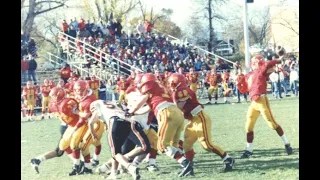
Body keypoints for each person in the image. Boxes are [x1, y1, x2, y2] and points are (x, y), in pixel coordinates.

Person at [127, 73, 193, 177]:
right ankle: (187, 167)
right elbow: (147, 109)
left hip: (166, 112)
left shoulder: (150, 87)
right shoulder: (161, 89)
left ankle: (186, 163)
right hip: (177, 113)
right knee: (173, 144)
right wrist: (134, 113)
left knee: (162, 145)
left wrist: (130, 111)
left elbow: (140, 101)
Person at [168, 73, 235, 172]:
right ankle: (189, 167)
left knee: (206, 145)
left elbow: (179, 106)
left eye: (172, 82)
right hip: (192, 120)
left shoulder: (182, 90)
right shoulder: (178, 90)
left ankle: (228, 159)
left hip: (200, 118)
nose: (171, 84)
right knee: (187, 145)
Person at [239, 55, 293, 158]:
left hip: (262, 100)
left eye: (255, 62)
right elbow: (244, 88)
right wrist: (239, 79)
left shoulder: (261, 70)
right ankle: (249, 150)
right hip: (254, 102)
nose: (254, 64)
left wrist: (278, 59)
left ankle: (287, 144)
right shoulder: (250, 74)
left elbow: (268, 64)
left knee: (272, 124)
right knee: (248, 126)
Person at [89, 100, 150, 180]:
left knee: (115, 153)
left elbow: (90, 122)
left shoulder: (98, 105)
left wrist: (93, 134)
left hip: (114, 122)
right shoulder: (116, 104)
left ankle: (130, 168)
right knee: (117, 152)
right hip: (128, 123)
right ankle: (113, 174)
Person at [30, 88, 71, 174]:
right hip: (69, 127)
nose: (53, 98)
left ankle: (37, 160)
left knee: (59, 151)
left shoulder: (53, 104)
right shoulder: (65, 103)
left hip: (64, 126)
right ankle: (83, 164)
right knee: (75, 146)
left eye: (53, 96)